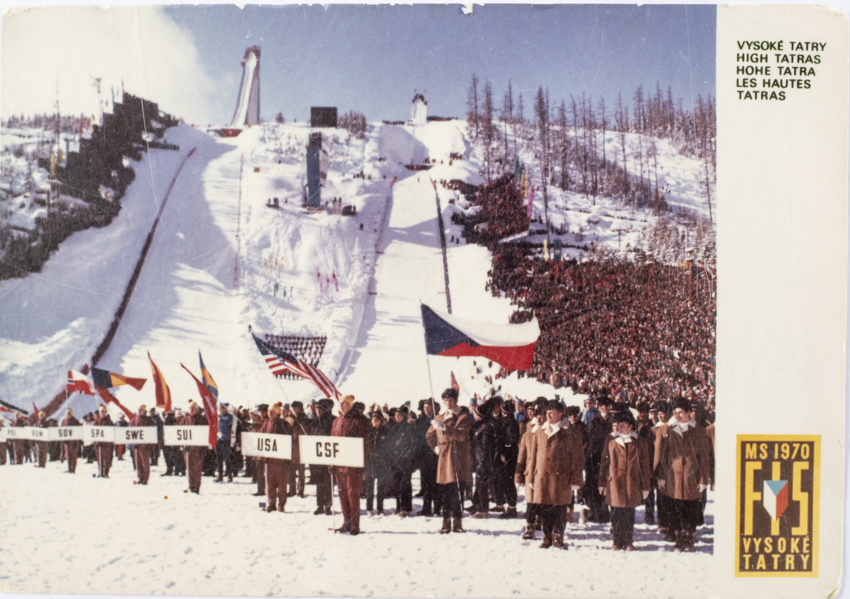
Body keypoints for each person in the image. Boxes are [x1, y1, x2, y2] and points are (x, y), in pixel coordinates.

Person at [654, 397, 712, 552]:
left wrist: (703, 479)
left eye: (680, 412)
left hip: (692, 477)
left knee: (691, 508)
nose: (677, 415)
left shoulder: (699, 431)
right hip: (674, 477)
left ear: (688, 413)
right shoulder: (669, 430)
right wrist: (662, 475)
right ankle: (679, 540)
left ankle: (689, 540)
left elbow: (704, 458)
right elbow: (663, 456)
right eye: (675, 412)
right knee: (675, 508)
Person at [526, 400, 584, 550]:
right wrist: (531, 476)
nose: (548, 415)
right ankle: (547, 537)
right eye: (547, 413)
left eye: (552, 413)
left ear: (560, 414)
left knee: (559, 510)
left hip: (561, 478)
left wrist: (576, 479)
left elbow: (577, 458)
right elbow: (533, 455)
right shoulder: (539, 431)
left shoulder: (570, 433)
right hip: (543, 477)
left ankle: (558, 537)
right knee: (545, 509)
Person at [599, 410, 652, 551]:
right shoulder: (610, 441)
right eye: (617, 425)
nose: (618, 428)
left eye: (622, 425)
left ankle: (628, 541)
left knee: (629, 513)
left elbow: (645, 466)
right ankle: (617, 540)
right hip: (614, 483)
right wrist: (601, 483)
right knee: (615, 513)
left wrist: (646, 486)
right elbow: (604, 463)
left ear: (630, 426)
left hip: (632, 483)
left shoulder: (640, 442)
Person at [426, 388, 473, 534]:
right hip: (445, 458)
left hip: (458, 459)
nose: (448, 403)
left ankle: (457, 523)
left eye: (451, 400)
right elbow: (429, 435)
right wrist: (435, 447)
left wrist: (445, 427)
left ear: (456, 400)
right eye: (445, 401)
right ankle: (445, 522)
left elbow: (461, 435)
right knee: (445, 492)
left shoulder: (463, 416)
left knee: (458, 492)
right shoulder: (439, 417)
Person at [331, 395, 371, 535]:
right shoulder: (336, 421)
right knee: (341, 493)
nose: (342, 406)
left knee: (352, 494)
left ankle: (355, 523)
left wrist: (362, 462)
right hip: (339, 463)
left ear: (350, 405)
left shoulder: (357, 421)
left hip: (353, 464)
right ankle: (346, 521)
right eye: (340, 403)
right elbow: (332, 443)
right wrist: (331, 461)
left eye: (345, 404)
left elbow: (365, 443)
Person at [516, 398, 546, 540]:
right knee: (531, 502)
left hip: (543, 472)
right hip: (530, 473)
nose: (540, 420)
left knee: (542, 499)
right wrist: (518, 475)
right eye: (537, 417)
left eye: (542, 417)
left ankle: (540, 521)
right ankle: (529, 525)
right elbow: (521, 456)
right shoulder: (528, 434)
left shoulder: (549, 434)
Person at [261, 403, 293, 512]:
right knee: (270, 483)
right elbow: (261, 440)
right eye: (269, 411)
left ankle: (281, 504)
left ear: (277, 412)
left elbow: (289, 442)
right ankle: (271, 503)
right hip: (269, 459)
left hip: (281, 460)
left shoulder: (285, 424)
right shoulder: (265, 424)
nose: (270, 413)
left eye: (273, 411)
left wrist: (287, 459)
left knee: (281, 483)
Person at [387, 405, 416, 517]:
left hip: (405, 460)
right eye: (396, 415)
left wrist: (407, 456)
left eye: (399, 415)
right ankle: (398, 506)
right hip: (395, 460)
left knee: (405, 483)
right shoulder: (394, 428)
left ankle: (406, 507)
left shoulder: (409, 427)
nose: (398, 417)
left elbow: (413, 443)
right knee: (396, 483)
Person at [493, 398, 520, 518]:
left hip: (508, 456)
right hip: (502, 454)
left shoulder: (510, 423)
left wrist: (505, 451)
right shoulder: (505, 421)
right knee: (500, 480)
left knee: (508, 481)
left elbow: (511, 441)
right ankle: (501, 503)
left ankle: (512, 507)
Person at [414, 399, 441, 517]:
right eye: (425, 407)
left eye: (428, 407)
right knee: (425, 484)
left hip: (436, 455)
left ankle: (437, 509)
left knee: (436, 484)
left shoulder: (438, 419)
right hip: (424, 456)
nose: (426, 409)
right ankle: (426, 508)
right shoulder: (419, 421)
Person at [309, 399, 335, 515]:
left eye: (320, 409)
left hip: (328, 456)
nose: (318, 411)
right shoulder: (314, 421)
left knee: (328, 483)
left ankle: (328, 506)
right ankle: (319, 505)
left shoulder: (332, 420)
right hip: (317, 456)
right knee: (319, 482)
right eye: (316, 409)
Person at [365, 411, 390, 516]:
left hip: (381, 462)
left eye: (377, 420)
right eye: (373, 420)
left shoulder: (386, 432)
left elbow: (389, 447)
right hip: (370, 462)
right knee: (369, 487)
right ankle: (369, 508)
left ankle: (380, 508)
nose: (375, 422)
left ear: (381, 421)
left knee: (381, 486)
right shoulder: (368, 431)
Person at [181, 402, 208, 494]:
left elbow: (205, 433)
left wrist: (204, 448)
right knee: (189, 468)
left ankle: (196, 487)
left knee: (197, 468)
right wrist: (183, 445)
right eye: (190, 408)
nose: (191, 410)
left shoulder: (202, 419)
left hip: (198, 448)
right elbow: (181, 432)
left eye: (193, 408)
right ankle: (190, 486)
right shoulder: (184, 419)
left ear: (197, 409)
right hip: (187, 447)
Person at [288, 401, 310, 497]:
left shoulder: (304, 418)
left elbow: (306, 429)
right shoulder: (290, 419)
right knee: (291, 471)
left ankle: (300, 490)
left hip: (301, 447)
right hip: (292, 447)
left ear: (300, 409)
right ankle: (292, 489)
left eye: (295, 409)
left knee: (301, 471)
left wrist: (299, 420)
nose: (293, 411)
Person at [129, 405, 156, 485]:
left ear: (145, 411)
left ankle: (145, 479)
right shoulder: (134, 420)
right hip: (137, 445)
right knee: (138, 463)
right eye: (139, 409)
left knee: (145, 463)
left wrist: (150, 444)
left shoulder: (149, 420)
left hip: (145, 446)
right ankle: (140, 478)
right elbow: (130, 432)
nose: (140, 411)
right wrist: (132, 443)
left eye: (142, 410)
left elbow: (152, 432)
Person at [216, 403, 235, 482]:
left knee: (227, 459)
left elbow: (231, 426)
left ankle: (229, 475)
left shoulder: (230, 417)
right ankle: (220, 475)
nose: (221, 410)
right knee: (219, 459)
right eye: (220, 408)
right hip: (218, 439)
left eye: (223, 408)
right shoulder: (217, 417)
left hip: (226, 440)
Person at [59, 408, 82, 474]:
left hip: (73, 442)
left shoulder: (75, 421)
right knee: (67, 455)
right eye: (67, 413)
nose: (68, 414)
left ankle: (73, 469)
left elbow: (78, 431)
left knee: (73, 456)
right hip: (66, 441)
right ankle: (69, 468)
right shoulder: (63, 421)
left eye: (69, 413)